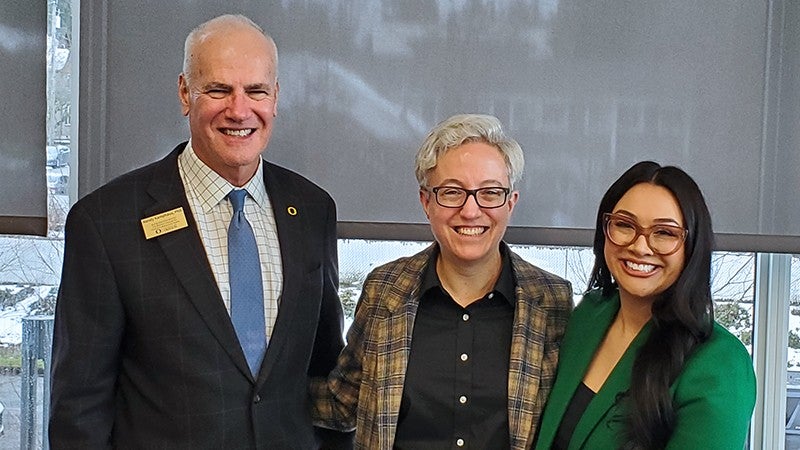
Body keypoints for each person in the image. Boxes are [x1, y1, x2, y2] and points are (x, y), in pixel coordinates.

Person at [49, 14, 350, 448]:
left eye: (256, 91)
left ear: (276, 97)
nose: (239, 110)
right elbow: (79, 407)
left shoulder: (312, 209)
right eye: (219, 90)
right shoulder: (106, 222)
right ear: (185, 93)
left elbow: (324, 374)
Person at [310, 114, 573, 449]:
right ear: (426, 202)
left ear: (511, 203)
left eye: (490, 193)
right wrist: (252, 392)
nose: (470, 210)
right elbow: (343, 401)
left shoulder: (552, 302)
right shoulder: (385, 289)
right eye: (452, 192)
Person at [534, 161, 756, 449]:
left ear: (692, 247)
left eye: (665, 233)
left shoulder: (720, 364)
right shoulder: (589, 315)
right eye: (625, 225)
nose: (640, 246)